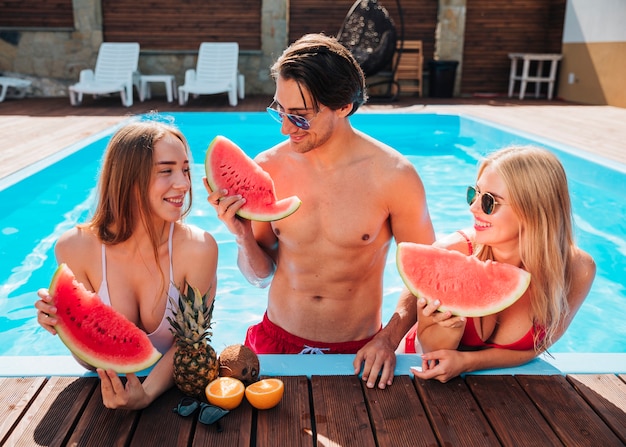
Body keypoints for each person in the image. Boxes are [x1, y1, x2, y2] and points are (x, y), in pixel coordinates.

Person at [205, 33, 435, 389]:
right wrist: (241, 235)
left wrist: (388, 339)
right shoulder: (269, 168)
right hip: (274, 342)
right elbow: (260, 274)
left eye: (299, 116)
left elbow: (426, 278)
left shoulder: (395, 176)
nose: (284, 128)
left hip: (361, 351)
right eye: (279, 111)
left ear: (344, 105)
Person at [35, 120, 218, 409]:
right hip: (102, 396)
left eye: (185, 169)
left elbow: (188, 346)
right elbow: (89, 358)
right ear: (128, 178)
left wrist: (145, 395)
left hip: (173, 394)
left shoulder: (198, 248)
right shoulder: (75, 247)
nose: (184, 183)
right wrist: (64, 327)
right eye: (166, 170)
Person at [408, 145, 595, 382]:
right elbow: (432, 353)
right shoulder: (450, 254)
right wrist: (444, 330)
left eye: (489, 201)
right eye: (473, 194)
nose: (473, 207)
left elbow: (536, 347)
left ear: (533, 211)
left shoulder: (578, 269)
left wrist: (469, 362)